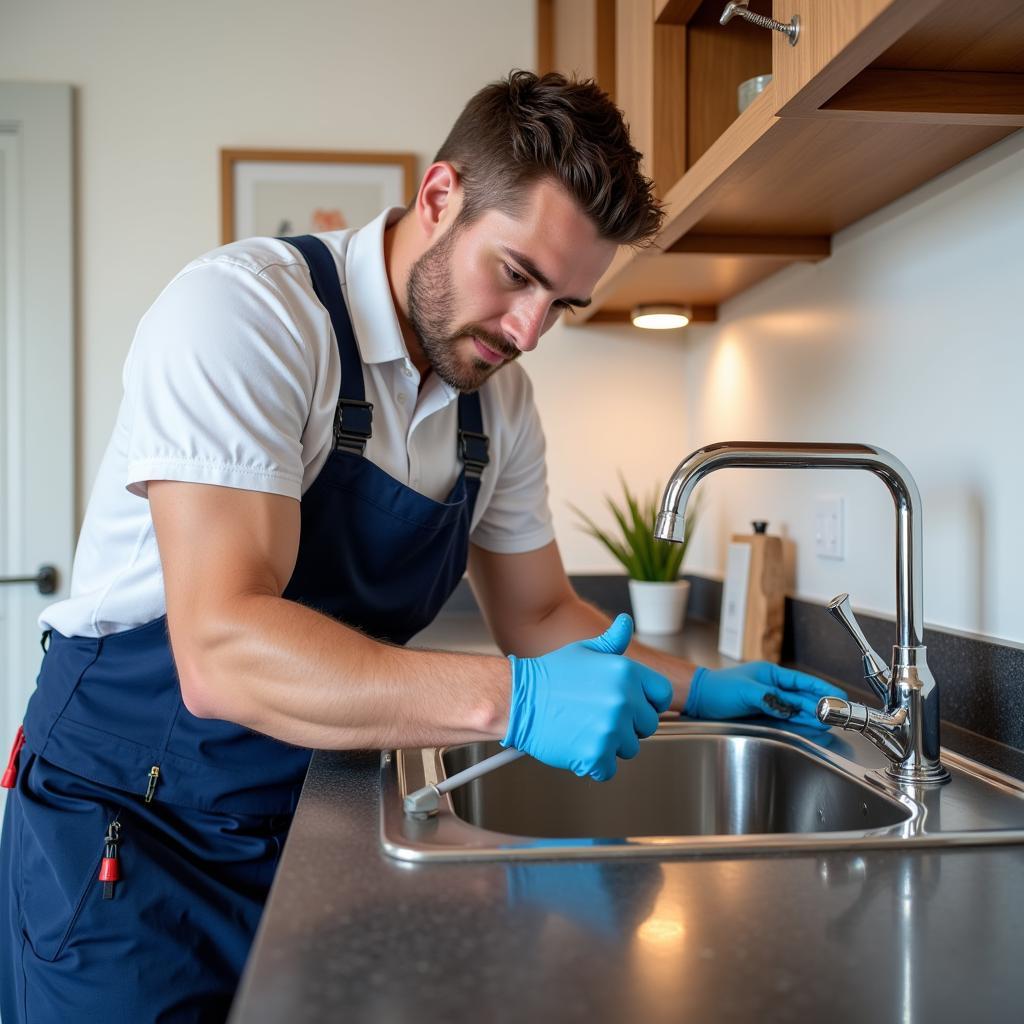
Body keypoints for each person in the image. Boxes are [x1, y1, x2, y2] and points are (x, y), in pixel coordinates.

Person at [0, 70, 844, 1021]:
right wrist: (515, 701)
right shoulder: (249, 317)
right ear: (440, 196)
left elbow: (539, 614)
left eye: (562, 305)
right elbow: (222, 650)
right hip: (134, 833)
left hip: (309, 814)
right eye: (519, 275)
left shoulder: (501, 401)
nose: (528, 331)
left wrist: (712, 688)